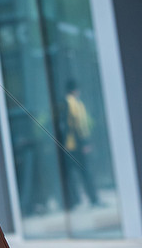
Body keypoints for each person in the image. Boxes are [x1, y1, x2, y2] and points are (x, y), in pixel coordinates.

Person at [62, 79, 99, 209]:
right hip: (75, 145)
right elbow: (77, 125)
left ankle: (75, 201)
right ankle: (93, 199)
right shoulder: (74, 104)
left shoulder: (68, 103)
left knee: (71, 175)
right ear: (75, 90)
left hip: (69, 145)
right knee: (85, 172)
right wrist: (84, 143)